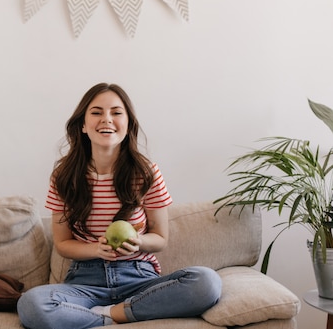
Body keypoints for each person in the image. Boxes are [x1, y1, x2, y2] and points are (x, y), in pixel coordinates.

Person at [17, 83, 221, 328]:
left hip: (139, 279)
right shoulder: (63, 177)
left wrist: (139, 242)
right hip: (85, 282)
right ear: (82, 124)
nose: (107, 119)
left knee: (206, 282)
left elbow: (161, 238)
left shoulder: (146, 173)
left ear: (128, 124)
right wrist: (96, 250)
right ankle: (112, 315)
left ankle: (111, 314)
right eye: (96, 112)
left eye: (116, 112)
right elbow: (62, 243)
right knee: (31, 304)